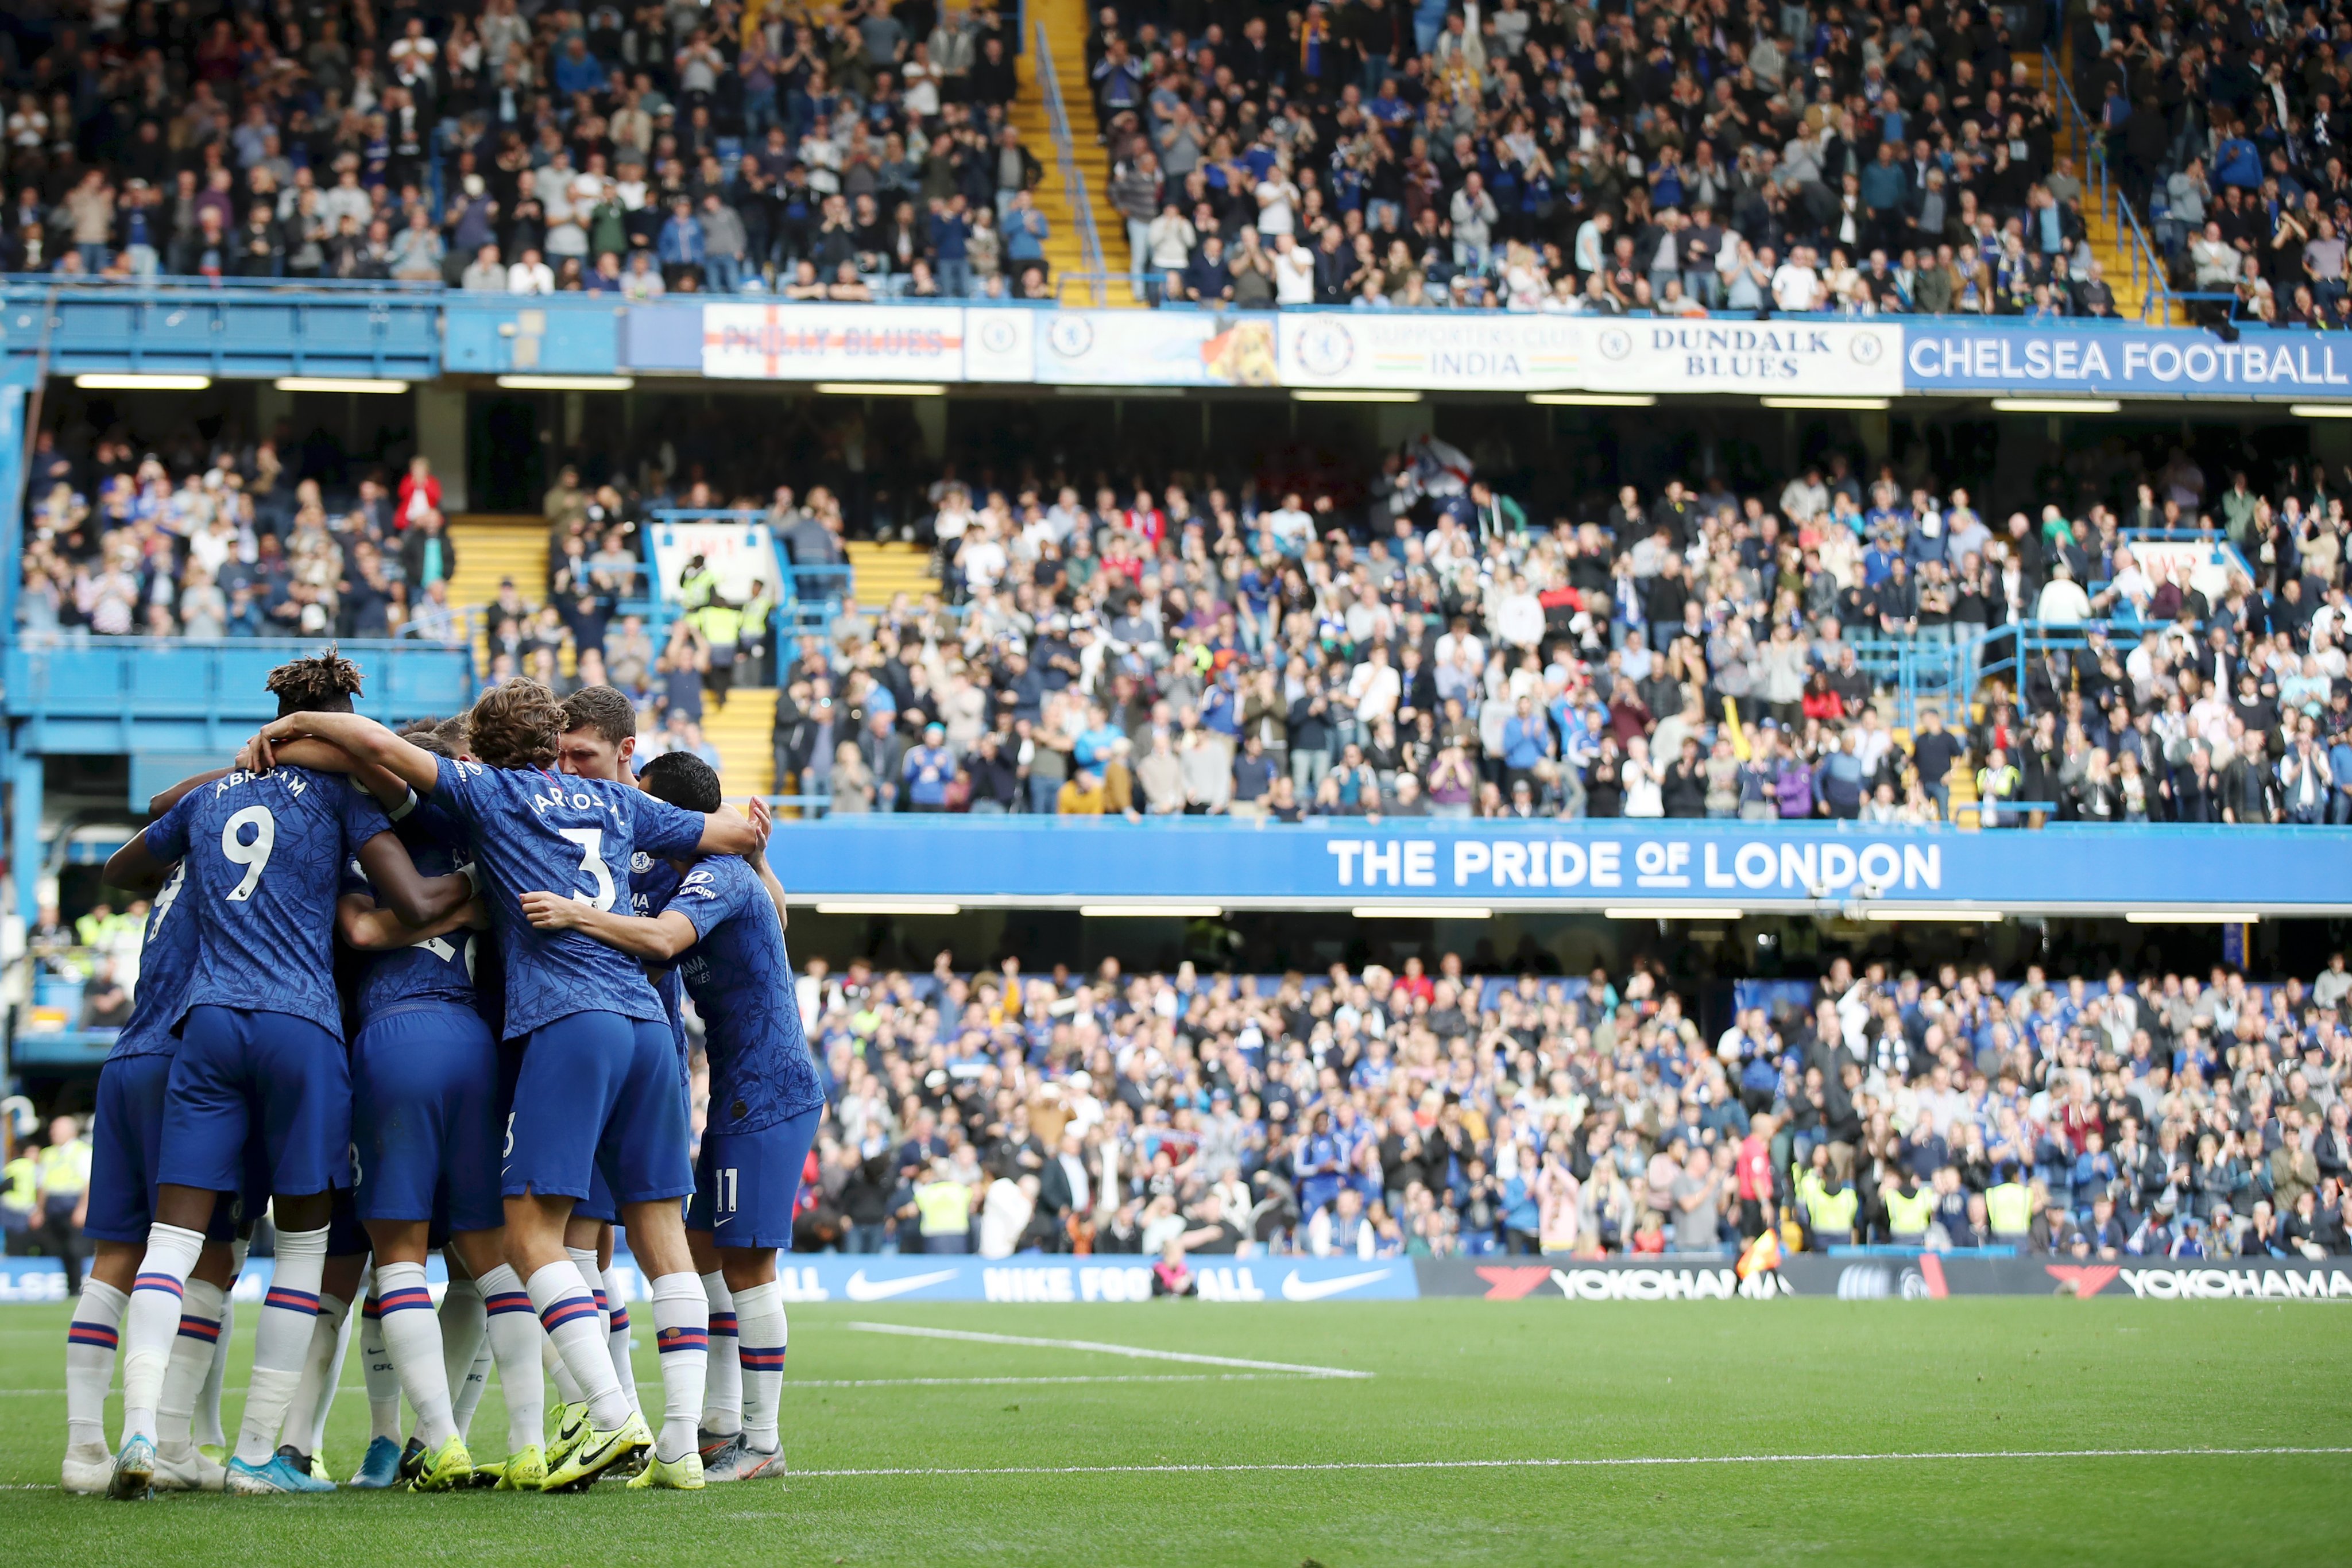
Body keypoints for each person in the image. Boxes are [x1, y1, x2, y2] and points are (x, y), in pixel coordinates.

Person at [239, 675, 765, 1492]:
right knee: (661, 1237)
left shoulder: (491, 793)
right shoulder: (619, 803)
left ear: (482, 749)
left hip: (564, 1018)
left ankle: (606, 1412)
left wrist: (298, 722)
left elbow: (376, 751)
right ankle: (679, 1446)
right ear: (559, 742)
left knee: (527, 1236)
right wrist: (752, 831)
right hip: (649, 1027)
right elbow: (728, 830)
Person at [100, 653, 471, 1499]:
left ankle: (140, 1429)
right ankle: (259, 1453)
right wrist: (488, 884)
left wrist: (221, 784)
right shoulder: (347, 793)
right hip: (299, 1025)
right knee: (303, 1242)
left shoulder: (211, 795)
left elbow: (123, 865)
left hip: (209, 1019)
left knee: (175, 1238)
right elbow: (410, 904)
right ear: (344, 714)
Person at [516, 749, 819, 1484]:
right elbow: (773, 916)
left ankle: (764, 1438)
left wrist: (575, 914)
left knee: (747, 1264)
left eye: (650, 804)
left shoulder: (715, 875)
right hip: (738, 1091)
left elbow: (662, 942)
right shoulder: (696, 876)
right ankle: (717, 1426)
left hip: (770, 1091)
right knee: (703, 1251)